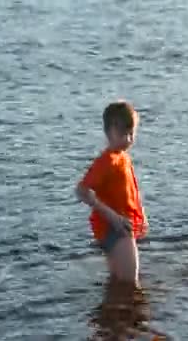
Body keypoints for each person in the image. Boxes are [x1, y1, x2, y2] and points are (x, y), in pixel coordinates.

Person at [76, 100, 148, 286]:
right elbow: (82, 191)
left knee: (118, 283)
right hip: (115, 229)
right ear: (113, 131)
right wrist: (113, 216)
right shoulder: (107, 161)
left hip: (118, 227)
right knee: (131, 284)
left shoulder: (122, 157)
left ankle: (112, 313)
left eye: (133, 134)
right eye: (126, 134)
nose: (131, 139)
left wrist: (141, 215)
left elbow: (129, 192)